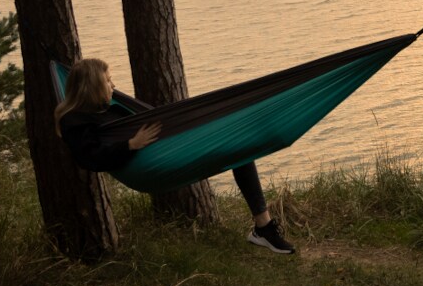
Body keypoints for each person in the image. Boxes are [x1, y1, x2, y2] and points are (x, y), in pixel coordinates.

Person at [54, 57, 296, 255]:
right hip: (149, 166)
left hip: (165, 149)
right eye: (107, 81)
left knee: (240, 146)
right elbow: (90, 158)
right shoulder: (75, 122)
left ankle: (263, 227)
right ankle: (264, 228)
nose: (113, 85)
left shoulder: (101, 109)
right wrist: (131, 145)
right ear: (92, 87)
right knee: (239, 145)